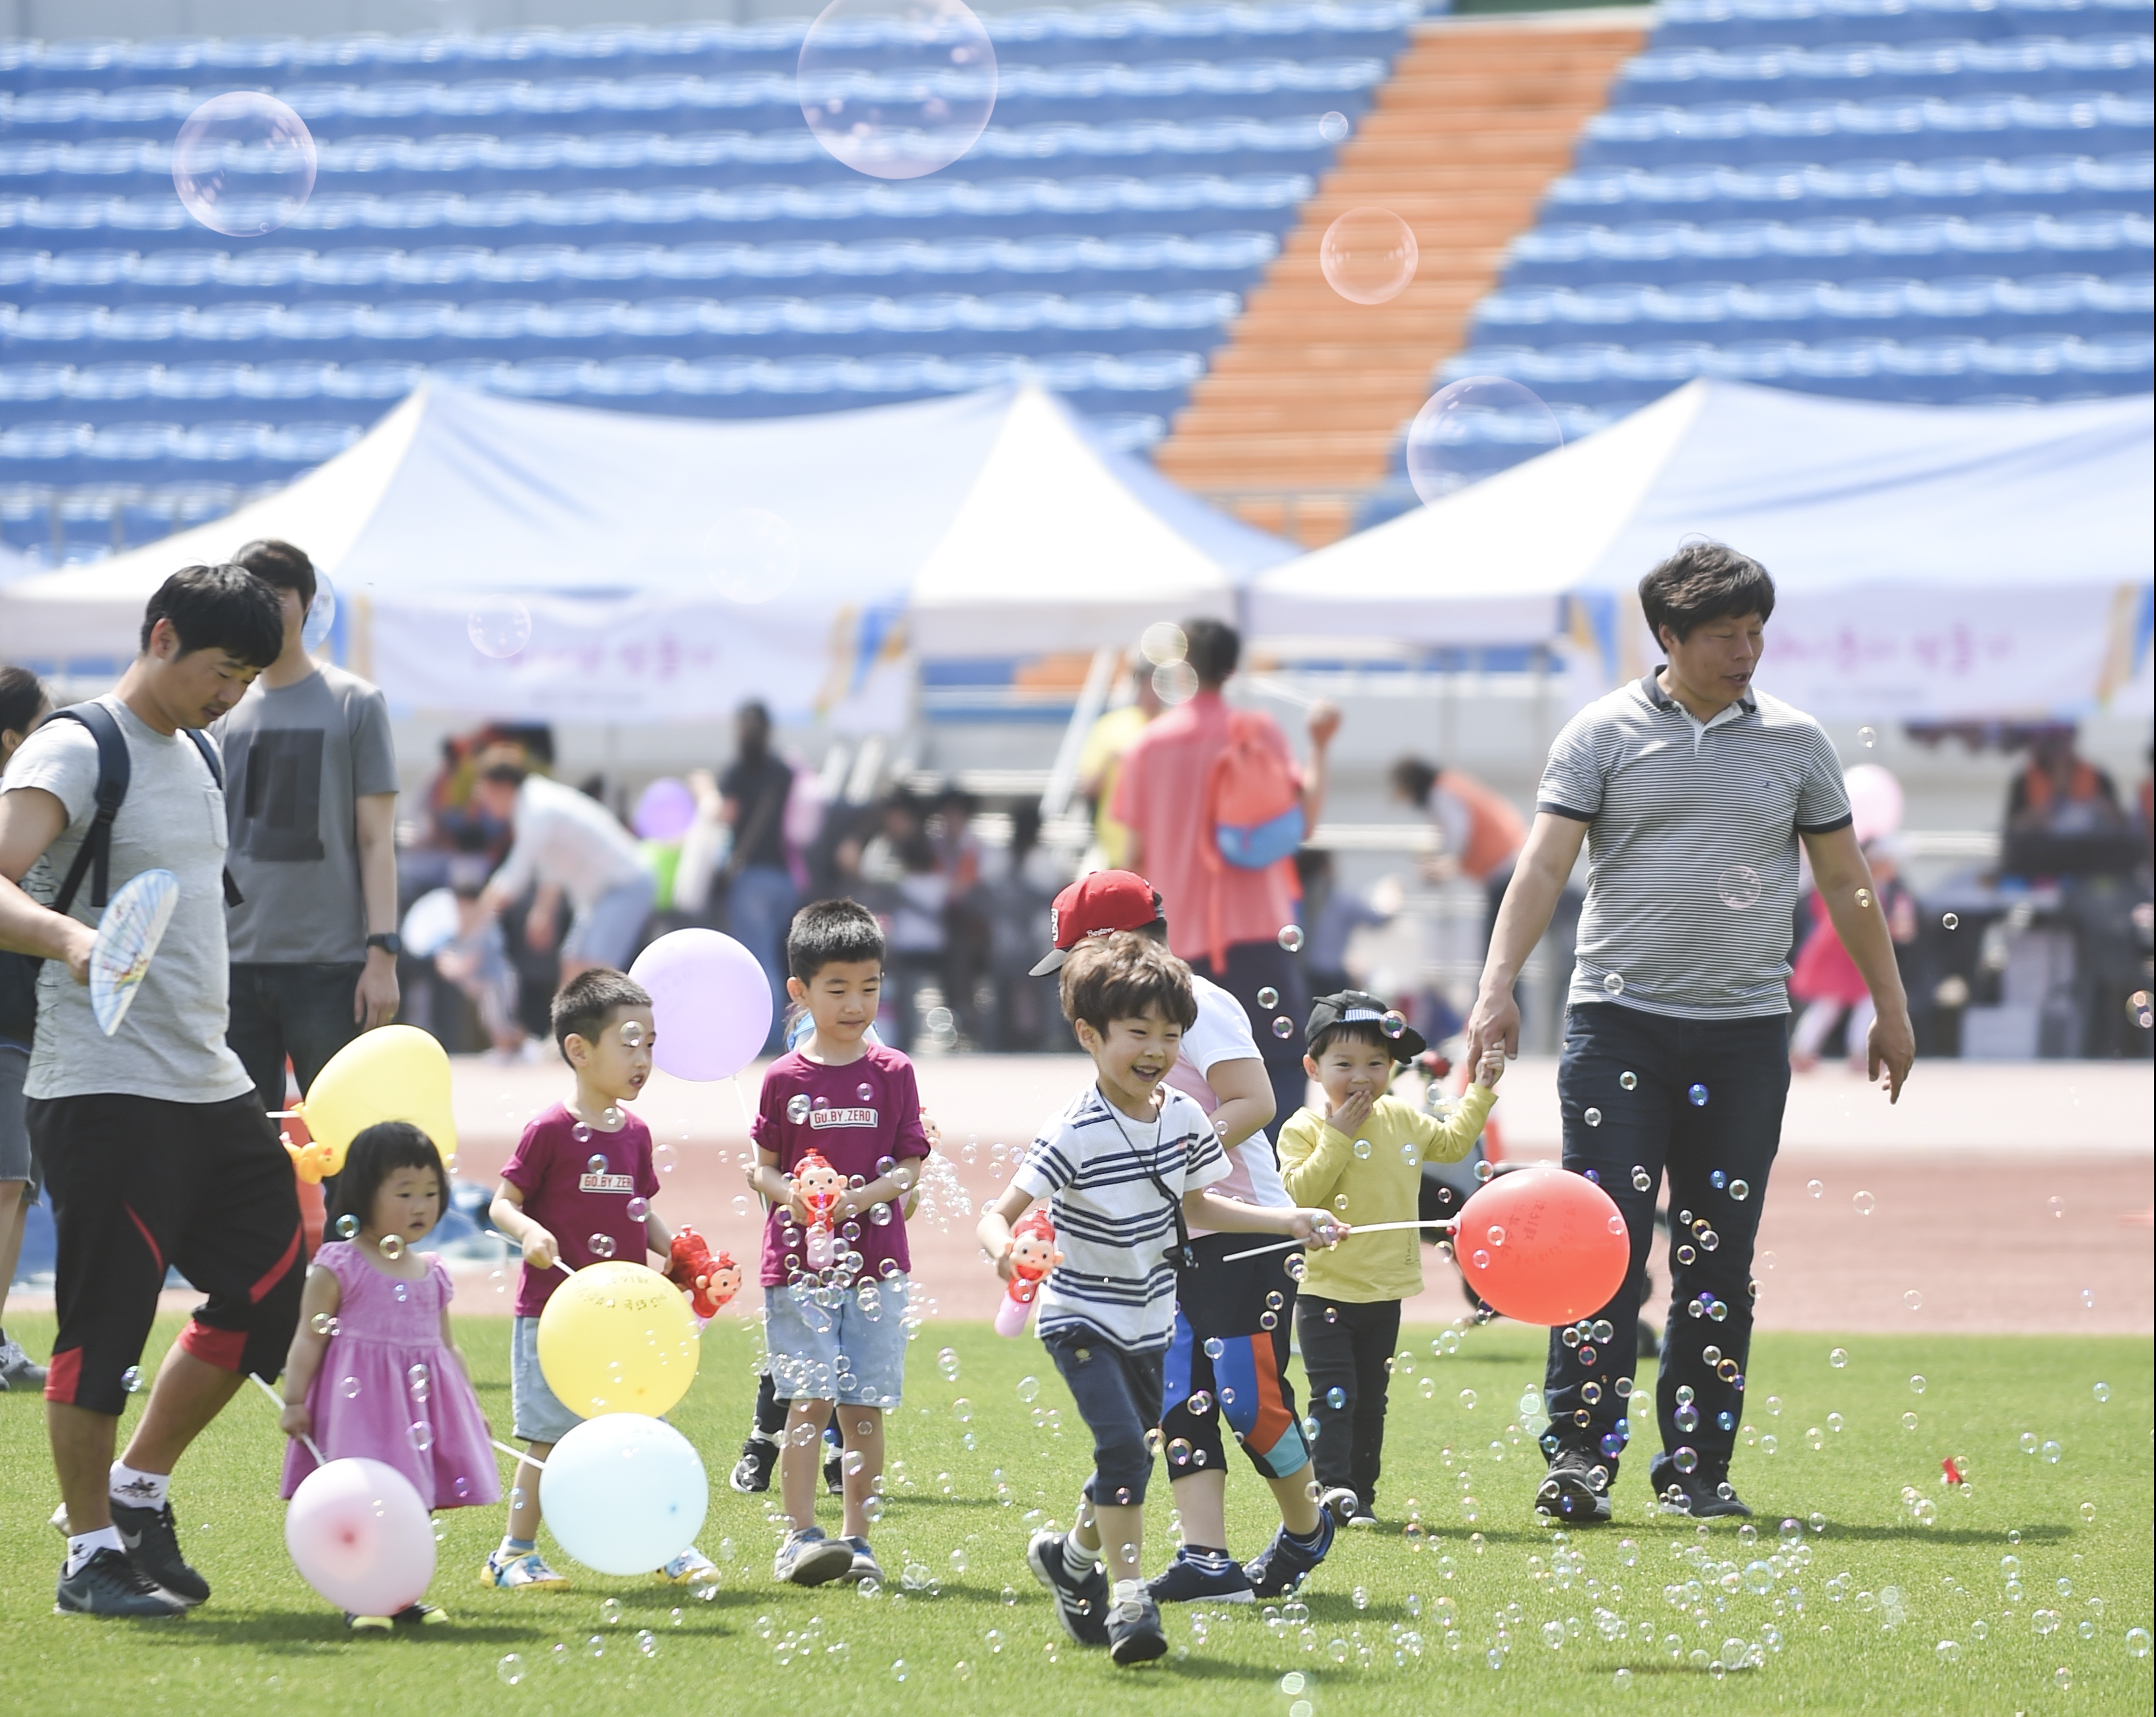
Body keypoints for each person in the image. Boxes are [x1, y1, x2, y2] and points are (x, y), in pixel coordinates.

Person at [1465, 541, 1914, 1527]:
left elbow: (1844, 881)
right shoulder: (1598, 732)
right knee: (1598, 1251)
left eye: (1755, 631)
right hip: (1614, 1026)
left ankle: (1696, 1469)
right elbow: (1540, 868)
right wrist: (1495, 986)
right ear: (1667, 637)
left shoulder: (1796, 741)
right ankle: (1579, 1459)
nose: (1744, 649)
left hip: (1742, 1036)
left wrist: (1889, 1005)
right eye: (1722, 634)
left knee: (1718, 1257)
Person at [0, 564, 304, 1617]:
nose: (233, 694)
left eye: (251, 678)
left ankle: (137, 1488)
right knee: (103, 1326)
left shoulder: (204, 751)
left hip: (208, 1082)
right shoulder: (78, 746)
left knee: (276, 1287)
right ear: (163, 636)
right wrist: (69, 935)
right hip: (101, 1087)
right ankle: (88, 1555)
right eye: (225, 670)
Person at [977, 932, 1342, 1666]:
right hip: (1080, 1317)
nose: (1156, 1047)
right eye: (1137, 1032)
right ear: (1090, 1034)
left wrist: (1289, 1219)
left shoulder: (1178, 1115)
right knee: (1122, 1445)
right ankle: (1129, 1595)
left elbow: (1205, 1205)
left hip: (1148, 1318)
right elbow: (999, 1212)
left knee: (1137, 1447)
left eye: (1170, 1035)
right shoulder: (1072, 1128)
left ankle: (1072, 1558)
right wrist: (1005, 1250)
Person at [483, 968, 716, 1591]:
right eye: (630, 1042)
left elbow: (642, 1209)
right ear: (579, 1050)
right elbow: (502, 1203)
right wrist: (527, 1232)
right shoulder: (550, 1130)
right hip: (554, 1317)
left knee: (645, 1431)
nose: (644, 1058)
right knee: (548, 1440)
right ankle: (512, 1552)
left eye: (650, 1043)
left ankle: (670, 1544)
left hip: (626, 1315)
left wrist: (684, 1252)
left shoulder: (635, 1135)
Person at [747, 899, 931, 1587]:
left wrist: (862, 1197)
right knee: (807, 1400)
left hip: (877, 1266)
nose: (857, 1003)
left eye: (870, 986)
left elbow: (911, 1165)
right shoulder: (782, 1078)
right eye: (838, 988)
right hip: (797, 1267)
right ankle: (799, 1536)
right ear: (799, 991)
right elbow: (763, 1163)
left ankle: (858, 1540)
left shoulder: (893, 1072)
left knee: (862, 1408)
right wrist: (784, 1189)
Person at [1278, 991, 1503, 1523]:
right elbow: (1299, 1195)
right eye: (1345, 1063)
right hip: (1323, 1290)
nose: (1362, 1076)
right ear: (1313, 1066)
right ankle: (1332, 1487)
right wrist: (1338, 1136)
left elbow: (1450, 1146)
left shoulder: (1402, 1118)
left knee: (1370, 1401)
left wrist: (1480, 1090)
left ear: (1393, 1067)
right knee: (1333, 1396)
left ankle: (1362, 1495)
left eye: (1376, 1063)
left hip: (1385, 1290)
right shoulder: (1303, 1129)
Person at [1111, 618, 1340, 1123]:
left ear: (1180, 662)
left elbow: (1131, 856)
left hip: (1176, 940)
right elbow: (1304, 822)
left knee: (1177, 1067)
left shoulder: (1147, 745)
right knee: (1276, 1060)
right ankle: (1272, 1180)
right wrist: (1320, 744)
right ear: (1233, 666)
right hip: (1258, 928)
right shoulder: (1255, 731)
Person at [277, 1120, 496, 1628]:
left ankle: (401, 1592)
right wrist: (294, 1398)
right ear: (361, 1193)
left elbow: (447, 1345)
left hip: (421, 1408)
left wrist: (471, 1404)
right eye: (403, 1192)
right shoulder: (340, 1264)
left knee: (413, 1502)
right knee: (364, 1500)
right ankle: (363, 1593)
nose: (420, 1205)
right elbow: (309, 1336)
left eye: (430, 1192)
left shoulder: (434, 1272)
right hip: (362, 1411)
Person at [214, 539, 401, 1119]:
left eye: (280, 596)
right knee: (239, 1150)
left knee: (346, 1139)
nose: (267, 610)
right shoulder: (217, 708)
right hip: (233, 964)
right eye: (253, 596)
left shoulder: (356, 703)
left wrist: (383, 956)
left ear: (309, 602)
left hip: (329, 967)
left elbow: (377, 840)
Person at [472, 759, 653, 986]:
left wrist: (473, 922)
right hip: (598, 894)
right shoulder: (534, 803)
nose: (484, 804)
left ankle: (606, 1021)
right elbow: (552, 867)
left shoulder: (538, 809)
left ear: (503, 787)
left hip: (624, 885)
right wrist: (543, 910)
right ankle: (567, 1022)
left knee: (596, 971)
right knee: (573, 963)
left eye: (486, 795)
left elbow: (515, 875)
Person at [0, 664, 54, 1392]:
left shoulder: (41, 816)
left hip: (29, 1027)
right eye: (46, 727)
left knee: (14, 1185)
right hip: (7, 1028)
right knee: (8, 1183)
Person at [720, 701, 800, 1048]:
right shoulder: (784, 772)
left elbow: (726, 817)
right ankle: (783, 1031)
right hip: (785, 877)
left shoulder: (736, 772)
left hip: (751, 876)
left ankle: (767, 1039)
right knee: (776, 955)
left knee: (759, 959)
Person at [1075, 659, 1164, 870]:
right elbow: (1088, 786)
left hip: (1164, 844)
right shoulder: (1110, 726)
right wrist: (1112, 761)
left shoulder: (1177, 726)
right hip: (1117, 844)